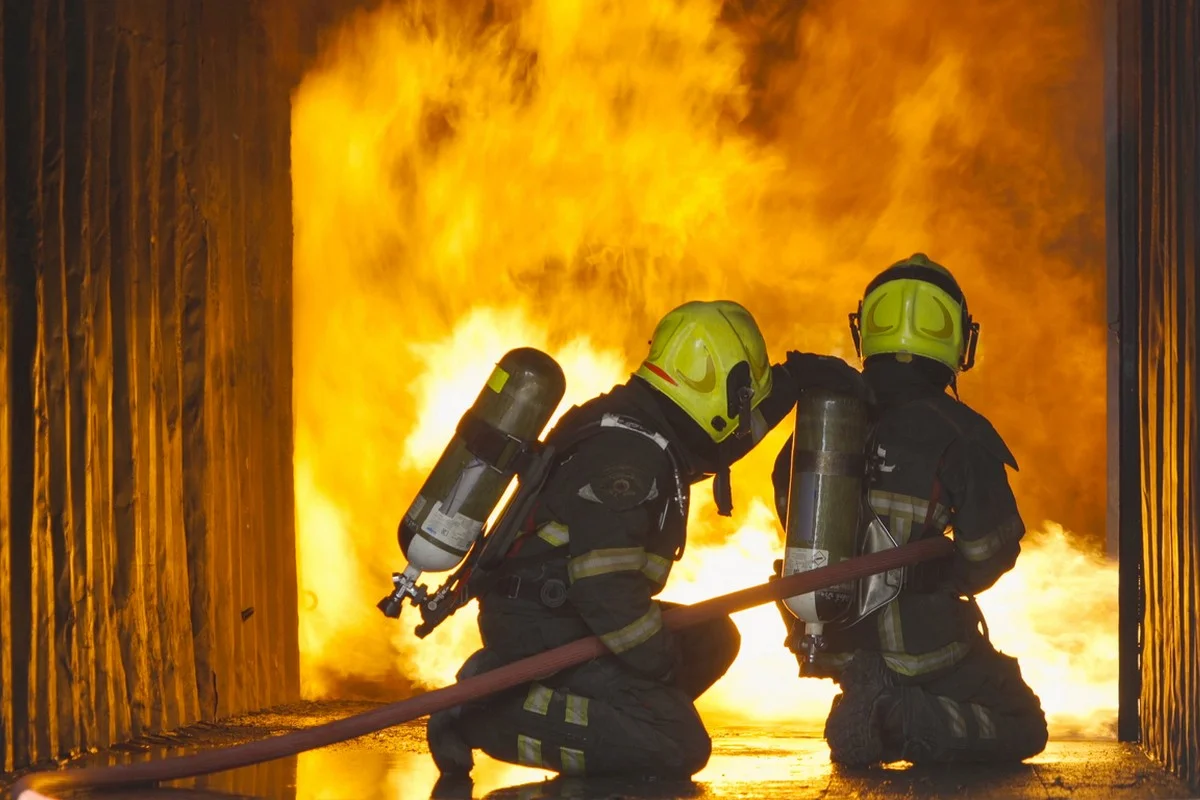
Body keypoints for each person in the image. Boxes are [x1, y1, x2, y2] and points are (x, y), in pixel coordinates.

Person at [427, 299, 817, 782]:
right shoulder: (629, 460)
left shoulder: (636, 420)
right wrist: (656, 664)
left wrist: (794, 381)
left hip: (561, 611)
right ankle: (483, 712)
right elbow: (606, 592)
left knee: (712, 637)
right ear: (721, 385)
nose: (745, 410)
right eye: (744, 396)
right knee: (677, 745)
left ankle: (604, 718)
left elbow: (725, 440)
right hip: (547, 624)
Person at [770, 254, 1049, 767]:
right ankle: (898, 715)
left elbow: (791, 513)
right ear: (957, 340)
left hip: (829, 635)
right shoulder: (961, 433)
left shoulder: (823, 422)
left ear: (866, 330)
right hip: (922, 648)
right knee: (1022, 722)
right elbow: (990, 552)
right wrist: (937, 571)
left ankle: (870, 691)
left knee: (882, 665)